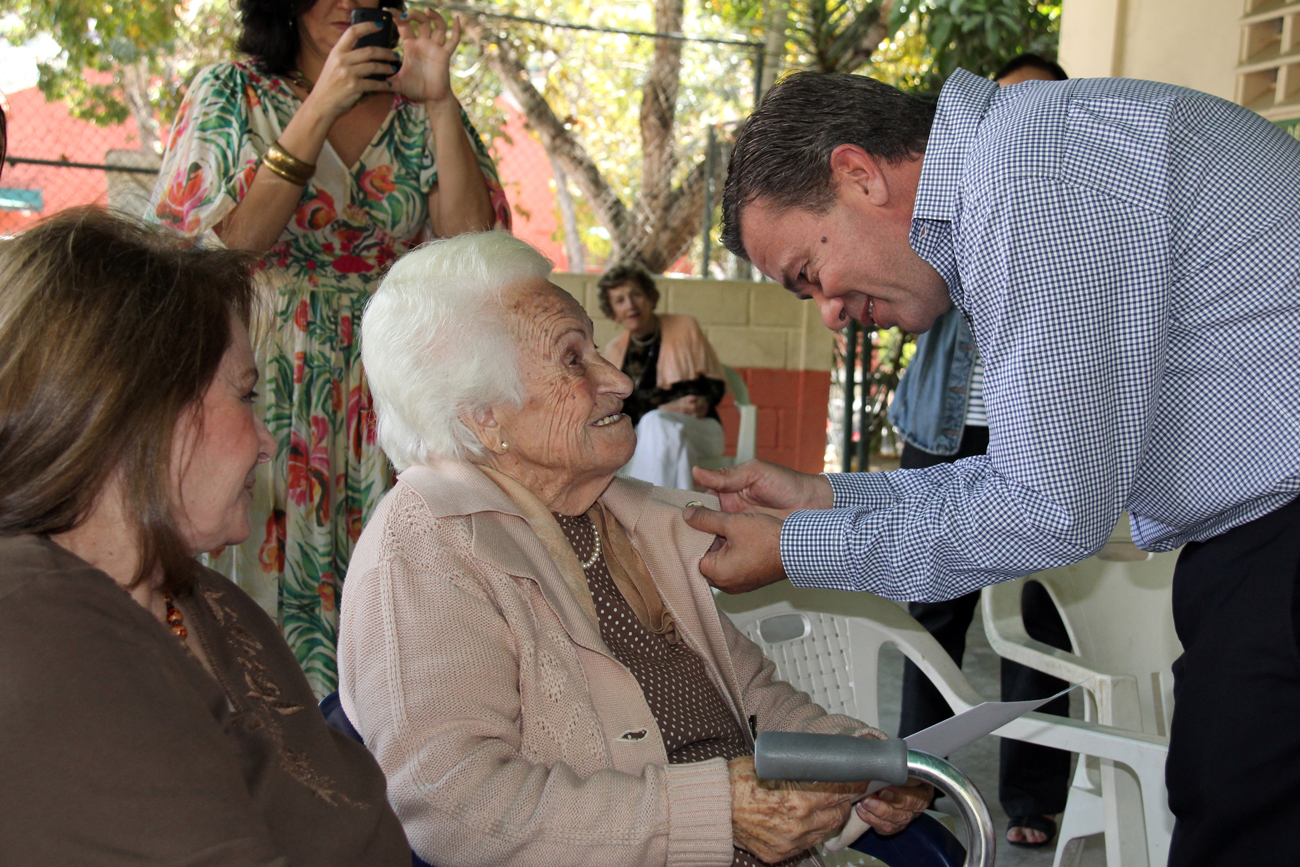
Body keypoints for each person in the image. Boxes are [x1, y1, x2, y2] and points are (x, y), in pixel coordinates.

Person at [683, 67, 1300, 867]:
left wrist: (796, 551)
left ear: (858, 174)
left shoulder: (1027, 178)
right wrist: (828, 497)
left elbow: (1047, 509)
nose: (831, 309)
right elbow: (1019, 475)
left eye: (809, 273)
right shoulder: (1021, 161)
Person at [336, 231, 931, 867]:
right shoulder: (427, 543)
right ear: (485, 415)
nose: (619, 380)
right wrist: (716, 813)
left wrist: (860, 756)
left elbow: (754, 700)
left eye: (598, 348)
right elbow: (454, 806)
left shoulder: (628, 515)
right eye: (573, 359)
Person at [0, 208, 409, 865]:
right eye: (245, 395)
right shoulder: (34, 618)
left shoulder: (209, 604)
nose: (267, 439)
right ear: (142, 408)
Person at [148, 0, 510, 695]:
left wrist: (439, 102)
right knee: (257, 571)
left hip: (389, 386)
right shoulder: (234, 91)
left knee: (393, 584)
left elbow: (474, 250)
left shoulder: (415, 108)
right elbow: (226, 247)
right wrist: (321, 104)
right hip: (261, 375)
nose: (346, 5)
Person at [889, 53, 1071, 849]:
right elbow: (908, 303)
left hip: (1043, 437)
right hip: (944, 432)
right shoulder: (948, 194)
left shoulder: (1081, 207)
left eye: (1039, 108)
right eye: (1006, 106)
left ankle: (1032, 796)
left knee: (1044, 618)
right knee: (934, 611)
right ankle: (920, 783)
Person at [599, 262, 729, 489]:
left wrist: (702, 402)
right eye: (620, 300)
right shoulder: (614, 351)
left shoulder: (684, 326)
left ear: (650, 297)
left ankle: (641, 513)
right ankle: (678, 514)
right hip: (650, 437)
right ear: (613, 312)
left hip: (700, 428)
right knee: (671, 441)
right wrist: (665, 407)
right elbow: (619, 408)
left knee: (655, 422)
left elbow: (714, 386)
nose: (630, 305)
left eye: (636, 295)